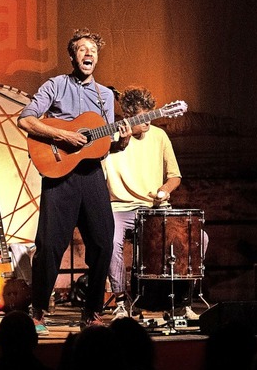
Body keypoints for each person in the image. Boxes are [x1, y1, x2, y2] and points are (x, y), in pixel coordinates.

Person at [17, 28, 130, 334]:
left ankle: (92, 312)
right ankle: (38, 311)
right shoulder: (56, 85)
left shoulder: (105, 95)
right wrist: (62, 134)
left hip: (91, 174)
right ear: (72, 56)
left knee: (103, 243)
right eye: (82, 49)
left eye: (92, 49)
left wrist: (122, 141)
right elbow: (25, 119)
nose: (88, 54)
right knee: (50, 246)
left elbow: (103, 142)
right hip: (59, 174)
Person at [103, 87, 201, 320]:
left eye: (150, 115)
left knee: (198, 238)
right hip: (119, 208)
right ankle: (120, 302)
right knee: (109, 240)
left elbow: (174, 176)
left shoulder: (159, 136)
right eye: (142, 116)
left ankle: (181, 301)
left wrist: (164, 190)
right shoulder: (110, 139)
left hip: (155, 209)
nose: (148, 121)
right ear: (128, 115)